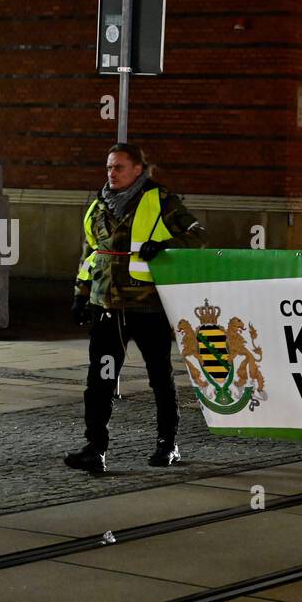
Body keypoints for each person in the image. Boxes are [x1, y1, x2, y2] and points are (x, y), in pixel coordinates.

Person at [65, 143, 205, 474]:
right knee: (99, 380)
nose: (111, 173)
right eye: (109, 167)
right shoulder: (97, 205)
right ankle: (95, 449)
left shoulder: (161, 200)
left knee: (160, 378)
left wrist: (165, 247)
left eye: (119, 167)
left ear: (138, 169)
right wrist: (80, 294)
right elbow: (92, 254)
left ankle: (167, 444)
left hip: (149, 309)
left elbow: (197, 237)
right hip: (106, 308)